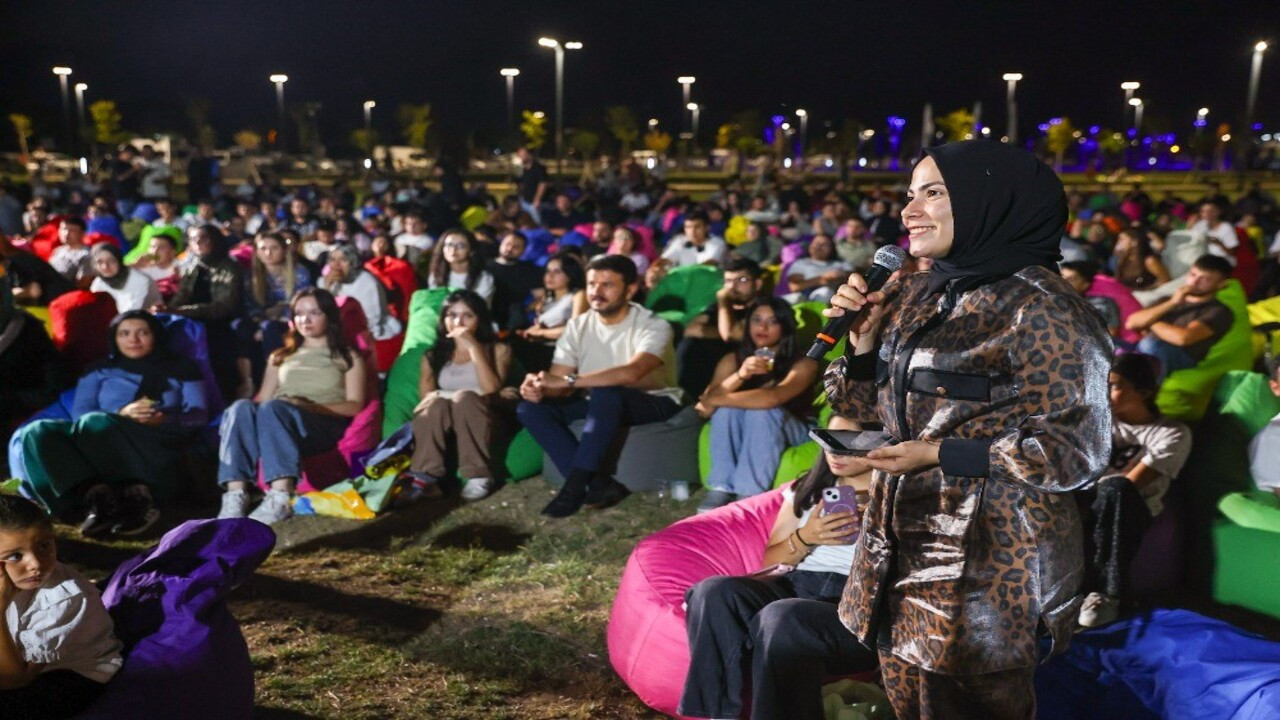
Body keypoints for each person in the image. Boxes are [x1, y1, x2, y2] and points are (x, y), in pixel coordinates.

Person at [823, 140, 1111, 719]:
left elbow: (1076, 450)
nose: (908, 212)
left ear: (988, 201)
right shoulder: (914, 289)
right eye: (909, 194)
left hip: (985, 571)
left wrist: (938, 454)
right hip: (895, 549)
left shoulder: (1045, 308)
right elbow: (860, 406)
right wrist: (863, 341)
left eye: (933, 193)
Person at [679, 415, 880, 720]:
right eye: (828, 439)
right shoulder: (809, 488)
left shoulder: (900, 496)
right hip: (796, 583)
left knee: (781, 617)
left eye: (847, 442)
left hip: (852, 602)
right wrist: (806, 536)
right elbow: (769, 561)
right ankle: (714, 714)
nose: (834, 452)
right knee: (714, 591)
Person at [517, 254, 683, 518]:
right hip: (597, 401)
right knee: (530, 409)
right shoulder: (578, 325)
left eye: (607, 285)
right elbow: (559, 380)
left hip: (653, 399)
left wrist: (569, 381)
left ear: (630, 289)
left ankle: (573, 488)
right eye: (592, 284)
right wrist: (539, 387)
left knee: (608, 392)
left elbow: (632, 373)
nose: (596, 292)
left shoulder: (654, 325)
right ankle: (598, 485)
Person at [17, 311, 208, 536]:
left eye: (142, 333)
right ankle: (93, 500)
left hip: (156, 439)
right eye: (124, 334)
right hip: (97, 435)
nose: (133, 340)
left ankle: (137, 500)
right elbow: (81, 414)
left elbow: (198, 416)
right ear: (114, 339)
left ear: (155, 336)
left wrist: (164, 419)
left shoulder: (181, 368)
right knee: (38, 430)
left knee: (95, 422)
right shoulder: (99, 370)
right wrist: (120, 415)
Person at [216, 288, 368, 525]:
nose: (305, 320)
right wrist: (236, 420)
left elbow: (356, 405)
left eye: (314, 313)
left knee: (274, 408)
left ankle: (281, 497)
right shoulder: (281, 356)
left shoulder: (347, 356)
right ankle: (235, 497)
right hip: (276, 418)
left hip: (319, 423)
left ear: (329, 316)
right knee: (241, 407)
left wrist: (306, 406)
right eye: (299, 313)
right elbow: (262, 398)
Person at [1076, 353, 1192, 628]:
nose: (1103, 393)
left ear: (1144, 391)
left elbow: (1131, 483)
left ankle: (1110, 595)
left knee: (1116, 488)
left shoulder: (1171, 433)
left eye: (1114, 386)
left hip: (1131, 508)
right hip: (1086, 500)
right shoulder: (1096, 422)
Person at [0, 495, 123, 719]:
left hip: (68, 675)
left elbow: (15, 680)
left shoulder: (63, 598)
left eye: (44, 546)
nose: (35, 564)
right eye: (15, 556)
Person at [696, 298, 819, 513]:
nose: (762, 327)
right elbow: (705, 407)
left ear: (785, 326)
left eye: (772, 321)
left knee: (762, 411)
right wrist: (740, 375)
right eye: (756, 320)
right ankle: (720, 488)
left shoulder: (803, 363)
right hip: (747, 426)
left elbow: (772, 398)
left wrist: (713, 399)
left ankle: (748, 494)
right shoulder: (732, 360)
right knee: (726, 410)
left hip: (795, 428)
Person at [401, 290, 516, 504]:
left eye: (467, 315)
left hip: (485, 418)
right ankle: (426, 478)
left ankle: (478, 475)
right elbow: (426, 400)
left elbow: (491, 389)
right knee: (436, 405)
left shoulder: (498, 350)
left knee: (466, 398)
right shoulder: (433, 356)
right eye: (452, 315)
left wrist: (472, 346)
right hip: (446, 422)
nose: (458, 321)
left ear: (479, 319)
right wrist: (445, 397)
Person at [163, 224, 244, 399]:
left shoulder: (230, 267)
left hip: (221, 320)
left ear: (215, 240)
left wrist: (182, 311)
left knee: (215, 341)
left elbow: (224, 306)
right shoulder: (193, 266)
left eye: (203, 238)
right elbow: (182, 295)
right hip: (193, 318)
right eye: (193, 240)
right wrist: (167, 309)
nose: (198, 243)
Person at [1124, 254, 1234, 379]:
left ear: (1221, 284)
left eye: (1205, 279)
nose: (1195, 282)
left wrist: (1150, 322)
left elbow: (1183, 338)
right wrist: (1172, 303)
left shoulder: (1218, 311)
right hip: (1144, 347)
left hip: (1180, 355)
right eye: (1193, 274)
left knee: (1152, 346)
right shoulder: (1169, 299)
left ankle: (1143, 393)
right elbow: (1131, 322)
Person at [236, 232, 314, 397]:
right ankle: (247, 381)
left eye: (274, 248)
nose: (268, 253)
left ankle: (273, 384)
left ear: (284, 250)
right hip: (260, 318)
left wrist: (271, 319)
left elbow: (300, 303)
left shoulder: (299, 272)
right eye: (263, 249)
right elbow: (250, 305)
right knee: (242, 328)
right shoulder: (251, 275)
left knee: (271, 329)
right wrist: (259, 322)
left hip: (290, 320)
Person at [513, 251, 587, 372]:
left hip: (565, 352)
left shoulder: (578, 295)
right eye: (548, 271)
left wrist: (541, 333)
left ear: (570, 274)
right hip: (540, 348)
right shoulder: (544, 299)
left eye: (557, 272)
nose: (550, 276)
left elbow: (575, 330)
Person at [324, 244, 402, 341]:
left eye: (343, 260)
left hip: (368, 334)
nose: (336, 264)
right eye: (332, 260)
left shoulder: (367, 283)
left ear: (353, 263)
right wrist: (326, 288)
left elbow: (372, 320)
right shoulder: (328, 281)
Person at [487, 230, 543, 331]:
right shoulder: (485, 267)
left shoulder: (529, 270)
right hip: (487, 315)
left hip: (515, 320)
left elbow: (540, 296)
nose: (510, 249)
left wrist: (525, 310)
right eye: (507, 244)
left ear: (523, 251)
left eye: (516, 247)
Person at [89, 243, 160, 312]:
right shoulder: (98, 283)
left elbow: (132, 311)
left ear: (119, 261)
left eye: (111, 261)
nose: (105, 266)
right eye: (99, 262)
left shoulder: (140, 280)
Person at [784, 233, 852, 303]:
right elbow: (794, 287)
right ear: (810, 246)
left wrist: (842, 275)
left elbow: (853, 276)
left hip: (836, 295)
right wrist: (822, 279)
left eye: (824, 245)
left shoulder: (841, 264)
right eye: (816, 243)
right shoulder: (801, 263)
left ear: (832, 249)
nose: (819, 247)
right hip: (806, 296)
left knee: (826, 292)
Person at [659, 213, 728, 269]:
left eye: (697, 227)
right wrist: (655, 269)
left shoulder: (717, 242)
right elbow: (665, 259)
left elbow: (710, 263)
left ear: (707, 227)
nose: (692, 231)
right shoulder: (679, 240)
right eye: (688, 227)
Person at [47, 217, 93, 288]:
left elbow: (83, 284)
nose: (66, 233)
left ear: (82, 234)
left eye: (72, 230)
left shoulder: (86, 255)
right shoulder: (58, 250)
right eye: (64, 229)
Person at [1188, 201, 1238, 266]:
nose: (1204, 214)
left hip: (1223, 261)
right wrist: (1190, 226)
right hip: (1204, 260)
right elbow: (1190, 242)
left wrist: (1219, 243)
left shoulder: (1226, 227)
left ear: (1217, 212)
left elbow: (1232, 252)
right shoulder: (1200, 224)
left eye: (1208, 211)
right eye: (1202, 211)